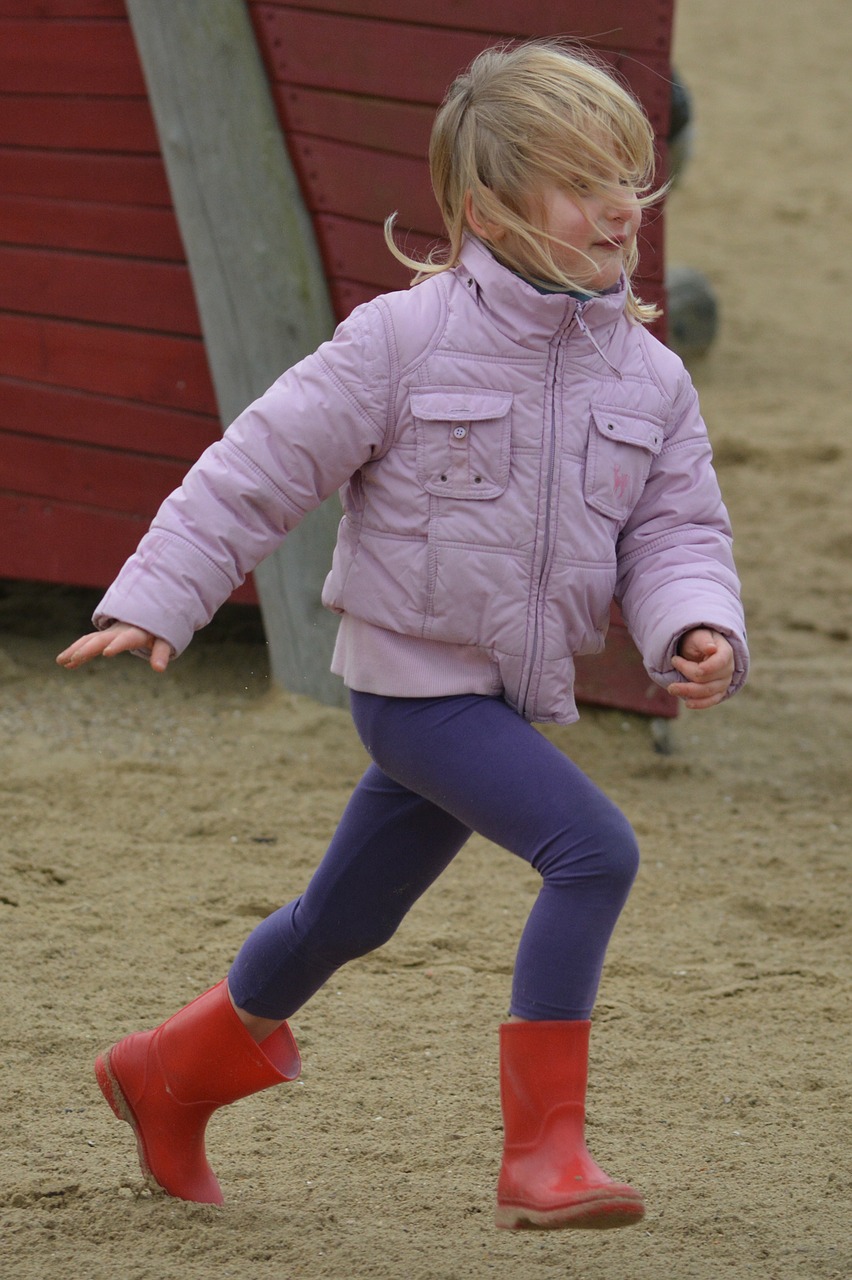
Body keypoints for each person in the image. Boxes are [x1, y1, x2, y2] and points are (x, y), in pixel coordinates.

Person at [56, 40, 748, 1230]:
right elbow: (257, 469)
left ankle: (166, 1071)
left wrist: (696, 623)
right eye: (584, 183)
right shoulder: (402, 341)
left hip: (503, 693)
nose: (619, 208)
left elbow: (676, 530)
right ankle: (545, 1157)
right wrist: (155, 593)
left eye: (629, 177)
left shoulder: (650, 378)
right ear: (488, 209)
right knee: (594, 850)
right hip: (416, 687)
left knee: (347, 917)